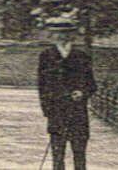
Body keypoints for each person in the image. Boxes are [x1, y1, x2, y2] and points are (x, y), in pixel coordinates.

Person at [37, 14, 96, 170]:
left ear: (71, 35)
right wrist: (47, 110)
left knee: (79, 154)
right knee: (57, 155)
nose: (61, 36)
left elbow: (91, 84)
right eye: (58, 33)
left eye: (65, 32)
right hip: (57, 112)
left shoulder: (81, 56)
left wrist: (82, 93)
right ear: (52, 35)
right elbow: (42, 86)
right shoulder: (46, 56)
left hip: (78, 113)